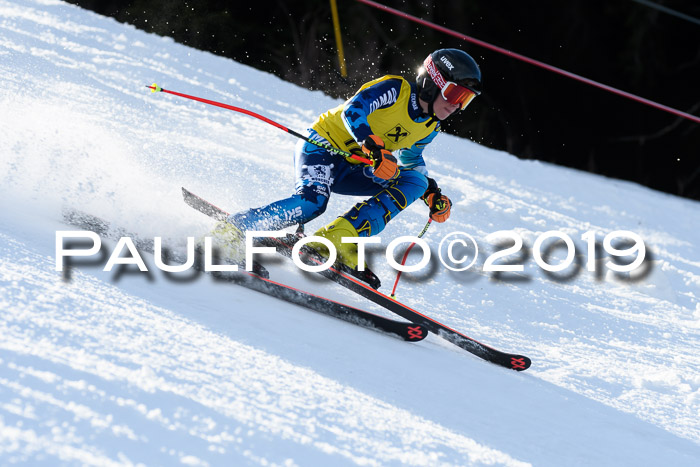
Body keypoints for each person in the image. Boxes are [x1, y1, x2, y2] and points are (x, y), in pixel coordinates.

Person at [218, 48, 482, 284]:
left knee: (416, 181)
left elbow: (412, 159)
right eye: (455, 93)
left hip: (355, 168)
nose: (456, 105)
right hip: (322, 148)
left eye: (466, 100)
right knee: (312, 203)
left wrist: (432, 193)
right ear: (431, 83)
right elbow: (353, 110)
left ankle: (335, 241)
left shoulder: (430, 126)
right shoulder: (396, 89)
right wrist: (373, 146)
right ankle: (231, 232)